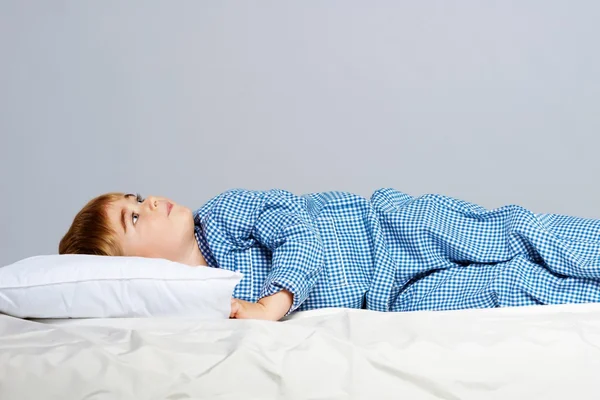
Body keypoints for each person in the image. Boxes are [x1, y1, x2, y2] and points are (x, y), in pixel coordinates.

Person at [59, 188, 600, 321]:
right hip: (389, 299)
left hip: (387, 230)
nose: (149, 202)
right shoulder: (208, 303)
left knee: (516, 235)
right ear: (137, 267)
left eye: (135, 198)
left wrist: (276, 301)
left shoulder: (223, 215)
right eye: (135, 218)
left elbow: (303, 237)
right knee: (504, 289)